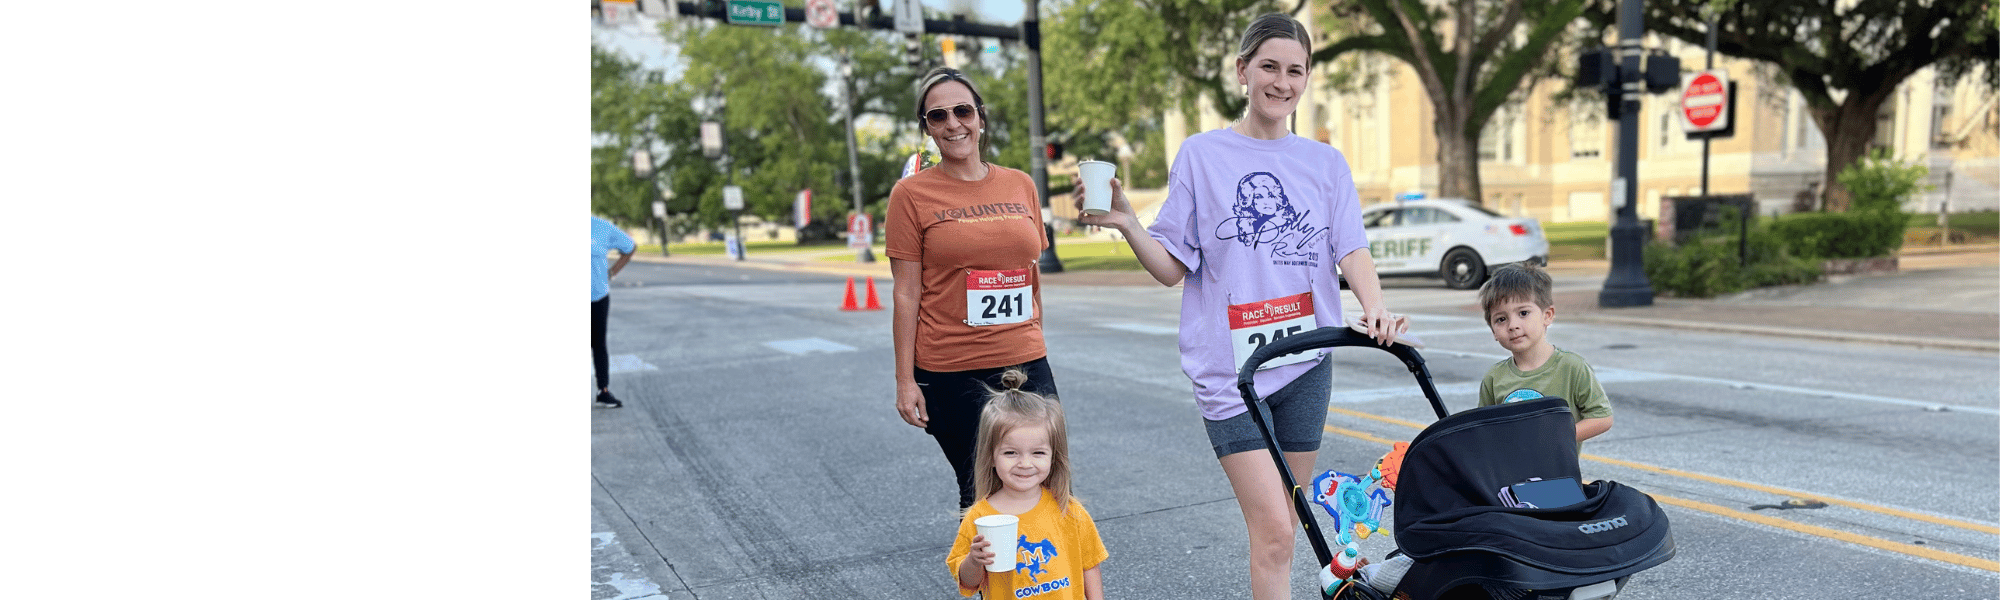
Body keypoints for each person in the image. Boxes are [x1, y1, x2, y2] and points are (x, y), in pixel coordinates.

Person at [1074, 14, 1408, 600]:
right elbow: (1171, 268)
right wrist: (1128, 221)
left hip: (1305, 361)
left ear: (1307, 79)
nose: (1282, 82)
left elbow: (1351, 247)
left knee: (1289, 523)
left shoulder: (1325, 163)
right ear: (1242, 71)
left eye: (1295, 70)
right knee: (1275, 531)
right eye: (1269, 67)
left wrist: (1375, 306)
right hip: (1233, 374)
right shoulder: (1203, 155)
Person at [889, 66, 1060, 510]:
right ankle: (988, 580)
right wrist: (905, 379)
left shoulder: (1021, 184)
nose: (952, 124)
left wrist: (1035, 335)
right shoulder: (910, 196)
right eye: (937, 116)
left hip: (1027, 360)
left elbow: (1030, 272)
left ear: (981, 117)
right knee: (985, 495)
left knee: (1047, 488)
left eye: (962, 111)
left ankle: (1057, 582)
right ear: (926, 128)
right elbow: (906, 293)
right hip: (951, 370)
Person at [948, 369, 1106, 600]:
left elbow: (1089, 565)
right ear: (991, 456)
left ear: (1054, 456)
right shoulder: (979, 518)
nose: (1025, 463)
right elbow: (968, 583)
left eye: (1038, 452)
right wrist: (974, 561)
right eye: (1010, 452)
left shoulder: (1069, 510)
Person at [1476, 262, 1613, 445]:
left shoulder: (1572, 367)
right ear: (1493, 330)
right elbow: (1483, 429)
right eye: (1501, 319)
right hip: (1510, 473)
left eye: (1523, 313)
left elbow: (1602, 417)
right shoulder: (1494, 378)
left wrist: (1555, 438)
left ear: (1547, 315)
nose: (1513, 325)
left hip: (1559, 473)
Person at [592, 215, 636, 409]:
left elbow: (629, 247)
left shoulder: (601, 227)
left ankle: (604, 391)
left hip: (597, 295)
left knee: (598, 344)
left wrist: (612, 272)